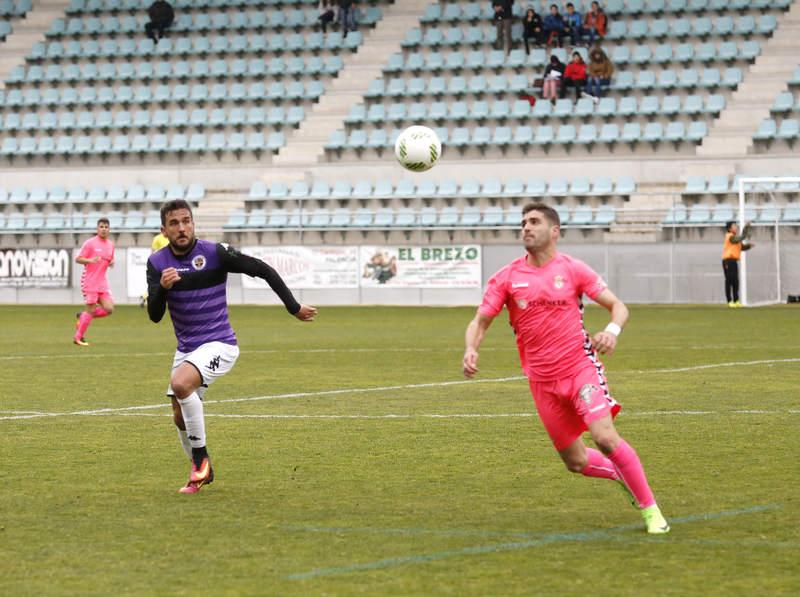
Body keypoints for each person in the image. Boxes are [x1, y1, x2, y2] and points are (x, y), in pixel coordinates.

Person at [462, 203, 670, 535]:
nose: (526, 228)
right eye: (523, 223)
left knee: (604, 437)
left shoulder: (573, 270)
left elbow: (618, 307)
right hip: (541, 383)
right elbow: (480, 321)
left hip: (580, 370)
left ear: (554, 231)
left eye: (534, 222)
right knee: (576, 462)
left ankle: (651, 511)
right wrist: (471, 348)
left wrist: (611, 332)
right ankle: (623, 474)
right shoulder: (507, 277)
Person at [146, 199, 317, 493]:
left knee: (181, 383)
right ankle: (201, 471)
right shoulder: (158, 264)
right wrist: (162, 288)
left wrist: (293, 306)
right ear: (164, 230)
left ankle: (201, 462)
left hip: (220, 343)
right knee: (178, 412)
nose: (182, 228)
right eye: (174, 223)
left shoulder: (215, 253)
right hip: (187, 348)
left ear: (194, 223)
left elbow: (261, 269)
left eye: (186, 221)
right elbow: (155, 315)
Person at [74, 217, 115, 347]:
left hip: (102, 283)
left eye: (106, 227)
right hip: (89, 281)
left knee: (109, 308)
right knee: (91, 309)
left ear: (109, 229)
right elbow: (78, 259)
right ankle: (78, 337)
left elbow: (110, 259)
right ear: (97, 229)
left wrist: (111, 262)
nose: (103, 229)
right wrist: (90, 261)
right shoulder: (90, 243)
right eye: (101, 227)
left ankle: (84, 316)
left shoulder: (110, 245)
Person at [722, 220, 754, 308]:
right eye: (734, 225)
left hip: (733, 261)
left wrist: (748, 246)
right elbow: (742, 237)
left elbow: (741, 247)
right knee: (729, 281)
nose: (736, 227)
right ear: (729, 228)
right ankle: (730, 301)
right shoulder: (730, 236)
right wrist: (746, 227)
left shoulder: (735, 238)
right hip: (728, 261)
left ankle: (736, 301)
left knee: (735, 281)